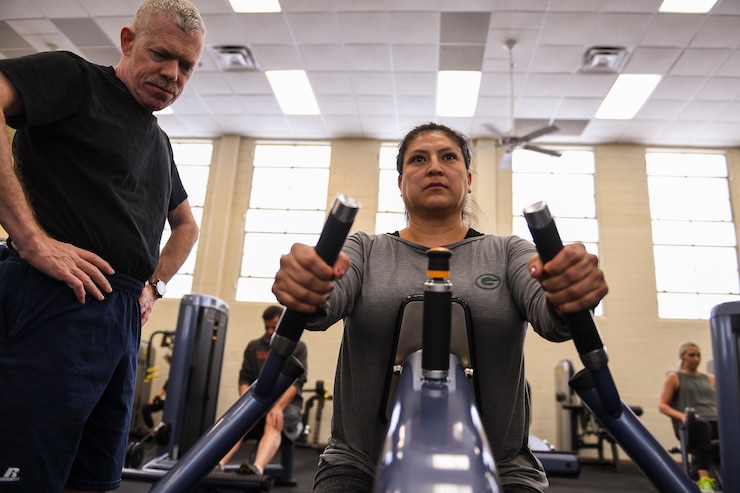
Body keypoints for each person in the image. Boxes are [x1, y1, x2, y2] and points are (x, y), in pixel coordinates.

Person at [272, 122, 609, 493]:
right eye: (419, 159)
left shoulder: (508, 252)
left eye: (447, 157)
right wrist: (307, 283)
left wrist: (569, 291)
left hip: (500, 467)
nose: (434, 167)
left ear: (468, 179)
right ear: (401, 183)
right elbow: (325, 297)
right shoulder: (365, 251)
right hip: (360, 464)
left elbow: (550, 311)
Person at [0, 1, 205, 491]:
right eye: (161, 54)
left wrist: (154, 285)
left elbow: (186, 227)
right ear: (128, 41)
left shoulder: (159, 142)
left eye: (187, 66)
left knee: (95, 479)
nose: (172, 74)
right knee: (26, 475)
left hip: (121, 317)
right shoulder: (75, 79)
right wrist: (32, 240)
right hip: (54, 296)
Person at [218, 305, 308, 476]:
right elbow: (244, 379)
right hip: (258, 401)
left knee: (272, 420)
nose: (269, 331)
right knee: (237, 421)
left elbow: (296, 384)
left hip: (286, 406)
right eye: (267, 327)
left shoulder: (298, 347)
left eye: (274, 327)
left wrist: (277, 407)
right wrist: (246, 406)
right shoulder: (254, 347)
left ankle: (256, 469)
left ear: (283, 324)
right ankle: (216, 465)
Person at [658, 341, 720, 492]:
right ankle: (703, 480)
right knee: (702, 425)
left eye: (698, 355)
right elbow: (663, 405)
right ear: (682, 357)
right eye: (691, 355)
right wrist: (682, 416)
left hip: (716, 422)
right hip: (693, 424)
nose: (696, 359)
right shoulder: (674, 377)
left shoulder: (710, 379)